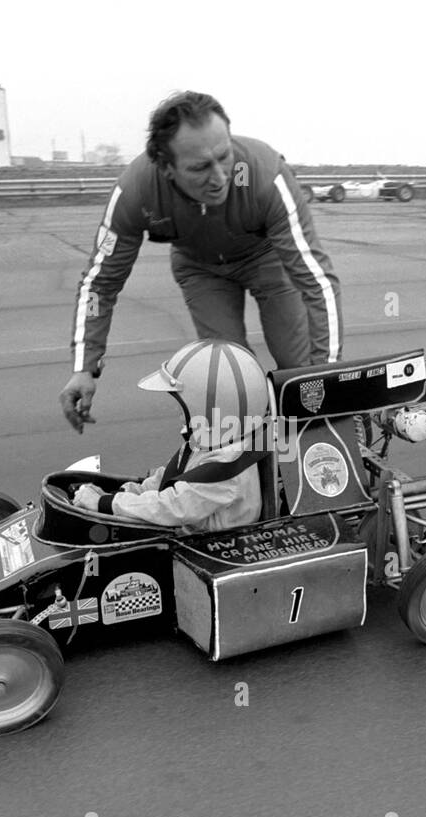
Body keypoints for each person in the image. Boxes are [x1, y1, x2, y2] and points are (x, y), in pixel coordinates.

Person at [59, 91, 342, 434]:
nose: (220, 177)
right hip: (202, 271)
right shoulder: (136, 192)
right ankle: (254, 465)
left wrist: (329, 371)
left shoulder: (263, 174)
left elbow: (318, 281)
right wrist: (83, 366)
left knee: (302, 373)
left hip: (267, 260)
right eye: (199, 168)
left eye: (224, 156)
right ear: (166, 168)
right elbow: (99, 285)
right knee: (233, 384)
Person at [71, 339, 266, 532]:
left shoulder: (225, 468)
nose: (178, 411)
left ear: (209, 408)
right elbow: (165, 480)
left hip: (212, 546)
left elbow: (171, 506)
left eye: (183, 405)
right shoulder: (215, 442)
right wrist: (120, 494)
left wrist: (105, 503)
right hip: (193, 530)